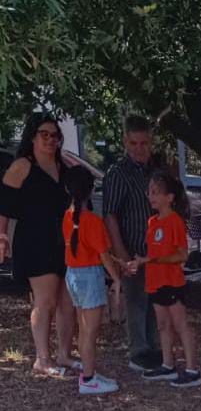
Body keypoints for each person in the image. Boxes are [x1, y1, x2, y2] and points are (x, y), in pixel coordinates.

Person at [0, 112, 77, 377]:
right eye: (44, 134)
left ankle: (64, 354)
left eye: (55, 135)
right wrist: (2, 237)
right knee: (45, 301)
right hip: (34, 239)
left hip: (63, 242)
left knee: (68, 302)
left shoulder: (63, 167)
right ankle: (42, 359)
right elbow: (4, 207)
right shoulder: (22, 165)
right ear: (33, 137)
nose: (50, 140)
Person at [129, 171, 201, 387]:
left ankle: (192, 369)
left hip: (171, 281)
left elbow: (182, 254)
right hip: (155, 281)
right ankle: (168, 365)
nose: (151, 197)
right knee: (162, 324)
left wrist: (153, 260)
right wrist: (140, 262)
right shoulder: (152, 222)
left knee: (180, 324)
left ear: (169, 197)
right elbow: (151, 255)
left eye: (156, 193)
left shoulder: (175, 221)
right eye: (149, 192)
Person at [103, 115, 161, 372]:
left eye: (144, 143)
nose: (140, 148)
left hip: (157, 251)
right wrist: (122, 254)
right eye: (134, 143)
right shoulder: (117, 173)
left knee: (155, 300)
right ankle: (138, 350)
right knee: (136, 300)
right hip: (133, 248)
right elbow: (110, 215)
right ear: (125, 142)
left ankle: (155, 348)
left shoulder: (156, 172)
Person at [62, 166, 122, 395]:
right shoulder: (93, 221)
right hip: (89, 275)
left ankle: (88, 373)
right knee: (90, 332)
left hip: (73, 275)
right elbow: (103, 255)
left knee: (83, 328)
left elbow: (87, 248)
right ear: (91, 189)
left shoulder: (67, 218)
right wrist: (116, 278)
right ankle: (87, 379)